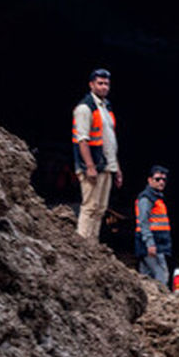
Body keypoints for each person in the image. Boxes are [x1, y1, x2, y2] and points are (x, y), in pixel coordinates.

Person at [72, 68, 121, 238]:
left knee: (100, 209)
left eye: (106, 83)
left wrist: (116, 168)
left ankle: (92, 247)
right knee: (90, 207)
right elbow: (82, 140)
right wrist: (90, 166)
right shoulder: (85, 108)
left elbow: (109, 140)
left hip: (106, 165)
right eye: (100, 83)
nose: (104, 87)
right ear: (91, 85)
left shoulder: (106, 107)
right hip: (93, 166)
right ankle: (83, 245)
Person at [134, 166, 171, 286]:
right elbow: (143, 221)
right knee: (161, 274)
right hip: (152, 243)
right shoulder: (147, 198)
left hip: (156, 241)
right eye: (158, 179)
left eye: (164, 179)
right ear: (150, 180)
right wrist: (150, 243)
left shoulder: (156, 197)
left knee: (146, 276)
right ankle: (161, 300)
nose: (161, 182)